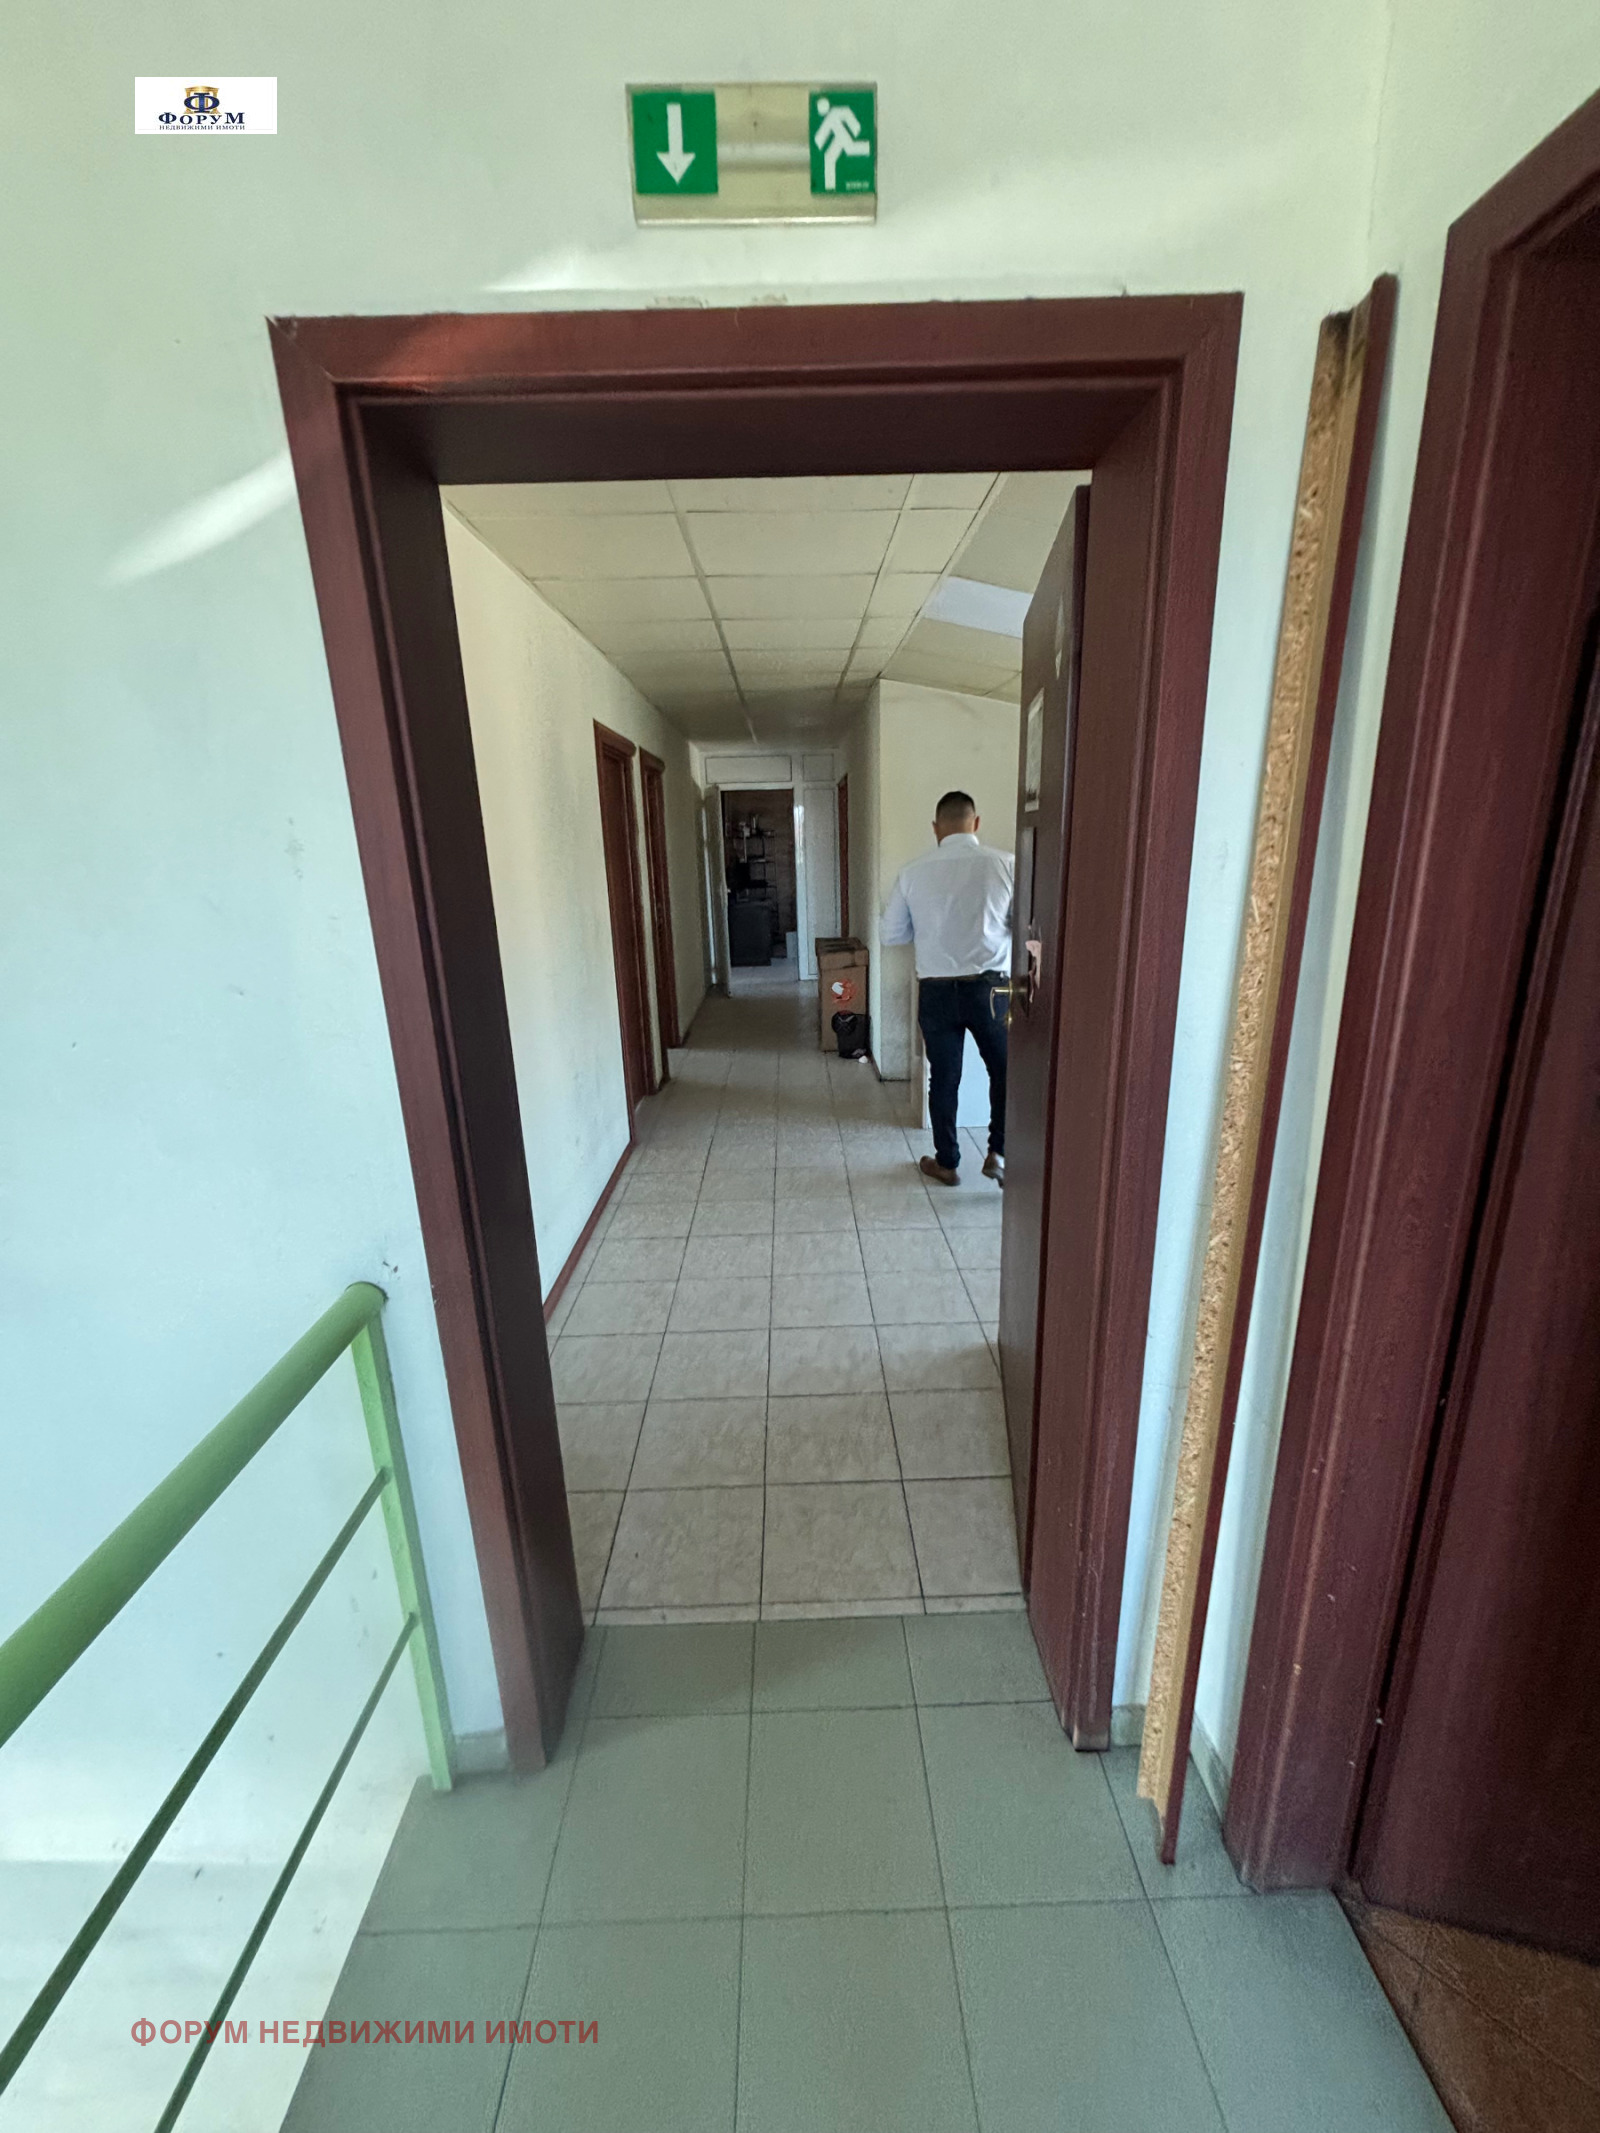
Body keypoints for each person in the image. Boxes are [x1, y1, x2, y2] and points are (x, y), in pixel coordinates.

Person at [880, 790, 1013, 1187]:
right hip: (991, 990)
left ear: (936, 828)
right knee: (1004, 1072)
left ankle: (947, 1162)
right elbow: (1025, 926)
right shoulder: (1006, 864)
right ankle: (999, 1152)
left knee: (943, 1078)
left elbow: (891, 935)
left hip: (936, 991)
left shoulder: (912, 872)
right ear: (976, 823)